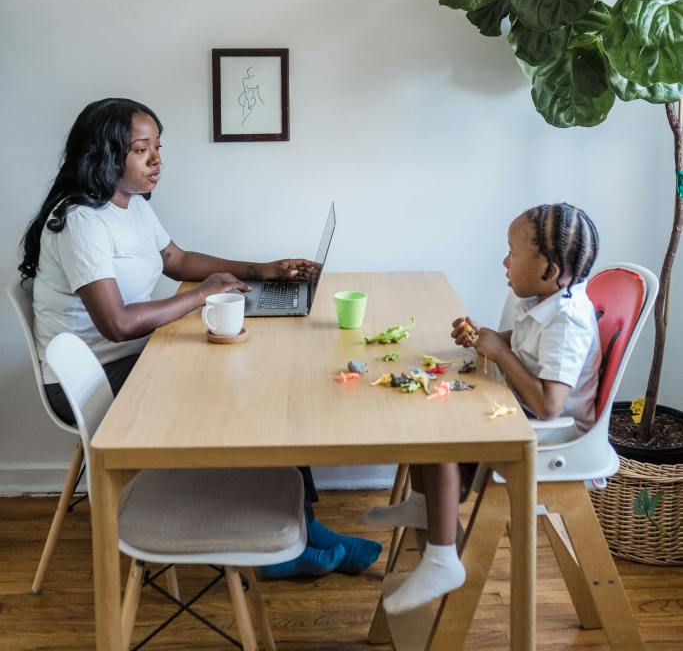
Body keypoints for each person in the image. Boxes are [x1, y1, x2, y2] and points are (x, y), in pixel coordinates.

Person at [19, 97, 380, 577]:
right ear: (106, 155)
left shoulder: (130, 206)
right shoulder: (81, 221)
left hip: (138, 354)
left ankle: (302, 525)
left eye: (158, 147)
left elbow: (177, 260)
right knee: (241, 392)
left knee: (263, 383)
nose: (156, 159)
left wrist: (258, 268)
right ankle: (274, 548)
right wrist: (202, 297)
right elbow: (118, 324)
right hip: (91, 380)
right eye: (141, 149)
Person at [364, 203, 602, 614]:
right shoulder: (548, 301)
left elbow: (549, 404)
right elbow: (531, 347)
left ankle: (442, 560)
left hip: (551, 434)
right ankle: (424, 505)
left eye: (513, 251)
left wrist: (501, 355)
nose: (504, 260)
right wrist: (489, 338)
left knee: (441, 428)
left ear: (548, 270)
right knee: (430, 401)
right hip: (523, 410)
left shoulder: (569, 321)